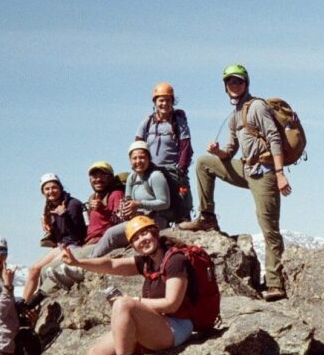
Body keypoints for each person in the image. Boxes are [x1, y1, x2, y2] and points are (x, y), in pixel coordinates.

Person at [22, 216, 209, 355]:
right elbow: (111, 264)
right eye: (136, 238)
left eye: (145, 233)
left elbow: (172, 303)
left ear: (155, 232)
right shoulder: (147, 262)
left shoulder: (176, 261)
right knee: (96, 352)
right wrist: (78, 263)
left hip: (178, 326)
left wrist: (132, 301)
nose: (142, 240)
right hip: (159, 323)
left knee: (123, 305)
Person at [180, 64, 290, 302]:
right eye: (230, 82)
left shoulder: (257, 107)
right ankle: (207, 217)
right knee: (203, 163)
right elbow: (230, 151)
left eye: (238, 81)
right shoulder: (234, 116)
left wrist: (280, 173)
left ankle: (275, 283)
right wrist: (218, 151)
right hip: (246, 168)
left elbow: (273, 138)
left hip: (265, 171)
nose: (234, 85)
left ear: (246, 83)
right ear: (225, 87)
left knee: (268, 227)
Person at [38, 162, 125, 296]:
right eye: (94, 176)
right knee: (45, 270)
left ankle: (39, 299)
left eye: (102, 175)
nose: (98, 179)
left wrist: (103, 209)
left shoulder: (115, 194)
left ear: (110, 177)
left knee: (53, 269)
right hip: (87, 242)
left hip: (99, 242)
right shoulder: (93, 198)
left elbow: (121, 221)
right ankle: (42, 303)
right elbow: (87, 226)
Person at [89, 141, 172, 257]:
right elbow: (127, 201)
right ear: (130, 161)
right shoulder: (132, 178)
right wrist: (125, 210)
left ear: (149, 158)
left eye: (142, 157)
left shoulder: (156, 176)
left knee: (112, 234)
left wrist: (139, 204)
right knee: (112, 233)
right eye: (134, 158)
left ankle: (86, 264)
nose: (138, 161)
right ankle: (88, 261)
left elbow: (165, 203)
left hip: (156, 220)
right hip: (139, 219)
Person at [22, 174, 86, 304]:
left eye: (54, 187)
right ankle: (23, 304)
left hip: (74, 245)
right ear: (43, 192)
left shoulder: (73, 204)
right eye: (47, 189)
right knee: (34, 269)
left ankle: (35, 302)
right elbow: (59, 234)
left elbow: (78, 234)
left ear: (61, 188)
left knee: (46, 270)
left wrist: (64, 215)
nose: (51, 191)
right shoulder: (49, 208)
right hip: (61, 245)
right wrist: (49, 229)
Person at [135, 82, 193, 221]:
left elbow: (186, 147)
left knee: (181, 204)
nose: (164, 104)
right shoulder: (146, 123)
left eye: (168, 100)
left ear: (173, 102)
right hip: (151, 170)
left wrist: (181, 170)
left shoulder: (178, 122)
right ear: (155, 102)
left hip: (173, 170)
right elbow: (137, 146)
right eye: (161, 100)